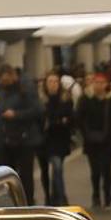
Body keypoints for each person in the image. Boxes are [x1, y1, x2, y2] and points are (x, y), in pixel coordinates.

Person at [0, 65, 44, 204]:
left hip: (25, 140)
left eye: (6, 79)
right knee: (8, 177)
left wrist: (16, 115)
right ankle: (13, 203)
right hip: (7, 140)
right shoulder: (2, 92)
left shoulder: (25, 89)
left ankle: (28, 203)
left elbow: (37, 110)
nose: (4, 82)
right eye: (2, 79)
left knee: (26, 175)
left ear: (12, 76)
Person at [77, 74, 111, 209]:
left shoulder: (110, 100)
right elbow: (79, 117)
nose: (99, 85)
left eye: (102, 82)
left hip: (107, 141)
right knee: (95, 171)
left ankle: (108, 196)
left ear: (106, 84)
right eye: (96, 82)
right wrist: (85, 134)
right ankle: (96, 195)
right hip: (91, 141)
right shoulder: (86, 99)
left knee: (107, 170)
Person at [42, 72, 75, 206]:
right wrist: (58, 120)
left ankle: (57, 197)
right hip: (47, 141)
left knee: (57, 168)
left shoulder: (65, 99)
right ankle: (59, 197)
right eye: (50, 81)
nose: (53, 84)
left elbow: (69, 118)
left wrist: (57, 121)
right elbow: (45, 119)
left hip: (61, 139)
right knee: (55, 168)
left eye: (55, 81)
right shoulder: (42, 100)